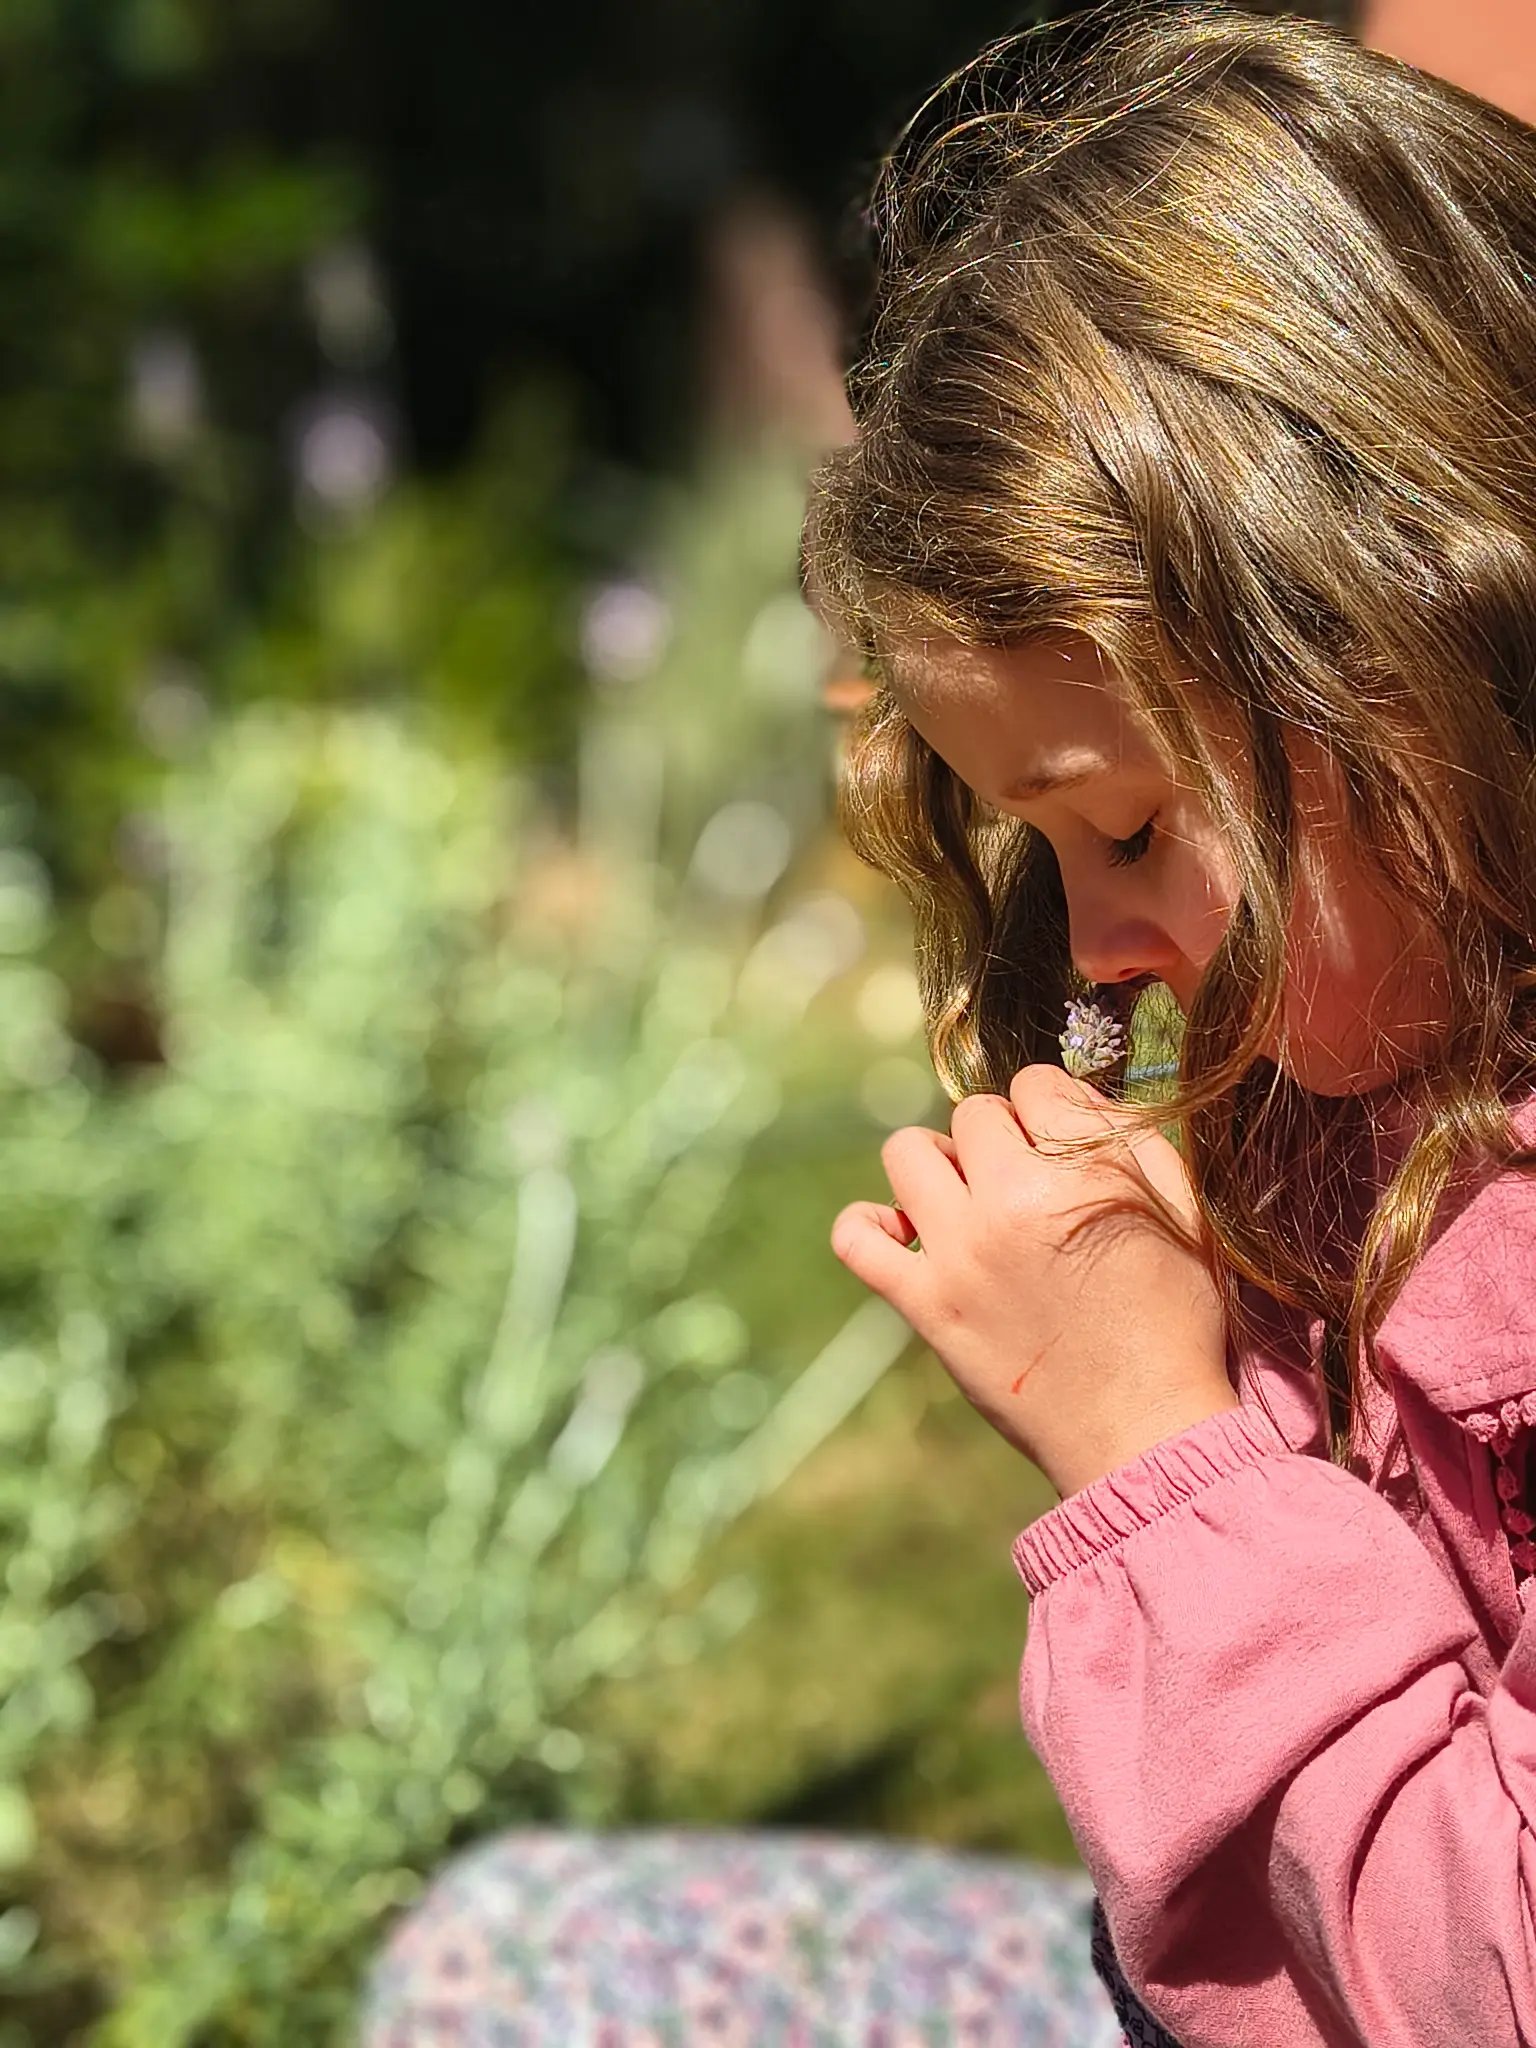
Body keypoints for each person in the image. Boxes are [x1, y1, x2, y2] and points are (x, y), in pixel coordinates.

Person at [362, 4, 1536, 2040]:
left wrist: (1161, 1450)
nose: (1097, 952)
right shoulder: (1374, 1081)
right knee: (500, 1956)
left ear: (1408, 651)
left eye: (1132, 825)